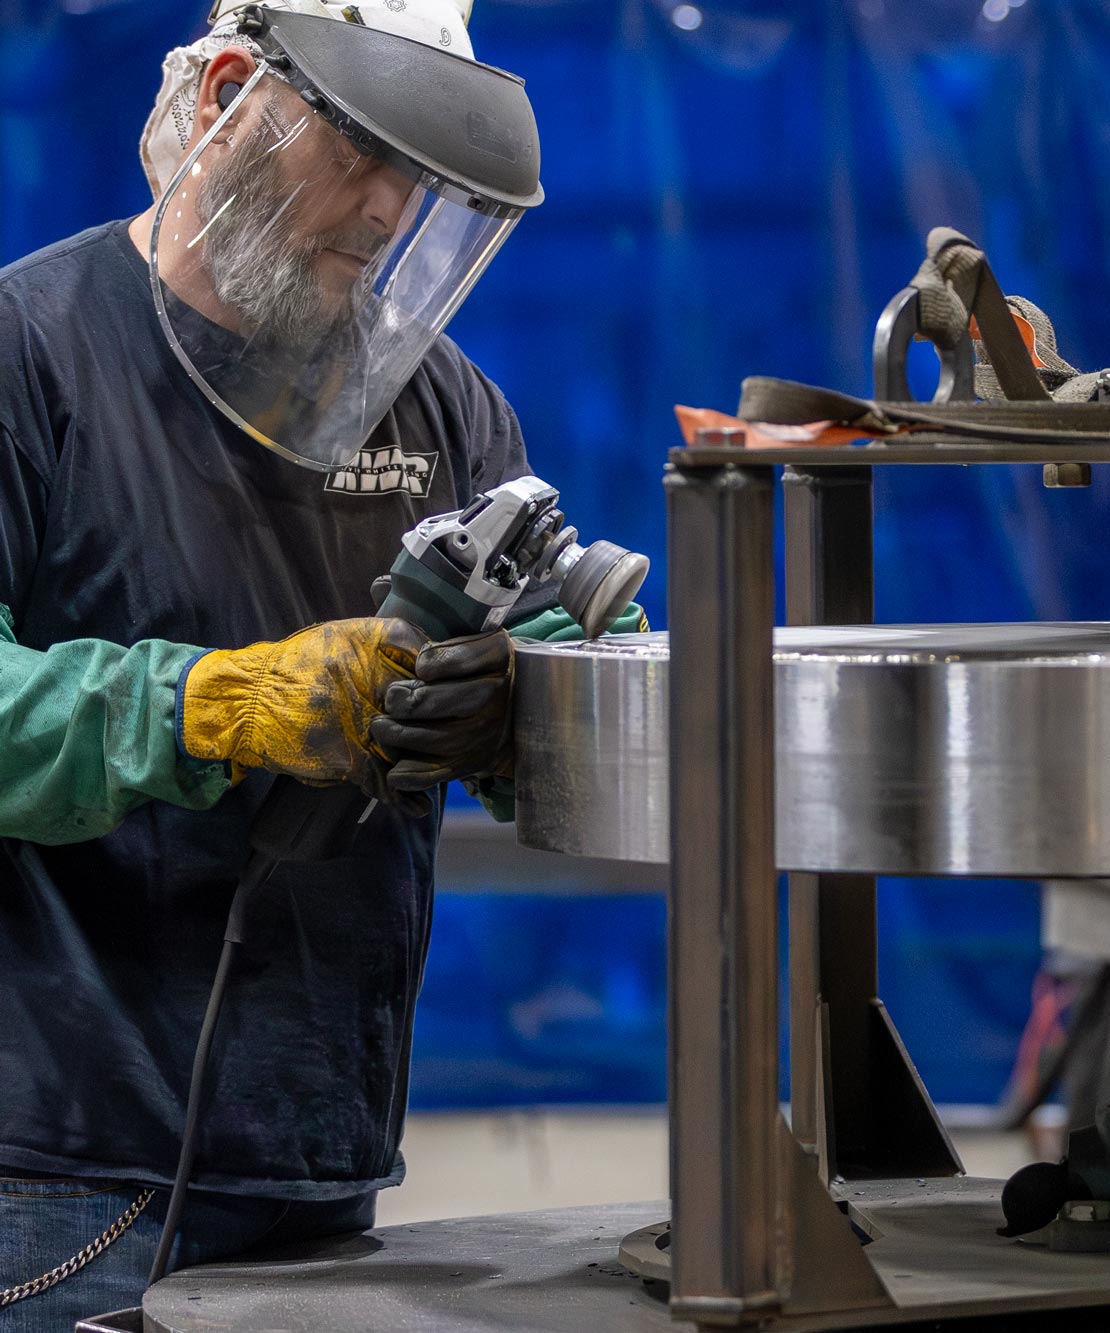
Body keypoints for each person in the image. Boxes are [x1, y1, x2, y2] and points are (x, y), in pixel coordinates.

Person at [0, 3, 638, 1324]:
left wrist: (526, 706)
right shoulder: (33, 354)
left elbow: (584, 671)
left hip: (325, 1170)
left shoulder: (444, 406)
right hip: (59, 1179)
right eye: (362, 154)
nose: (388, 212)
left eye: (422, 181)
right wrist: (212, 703)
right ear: (232, 94)